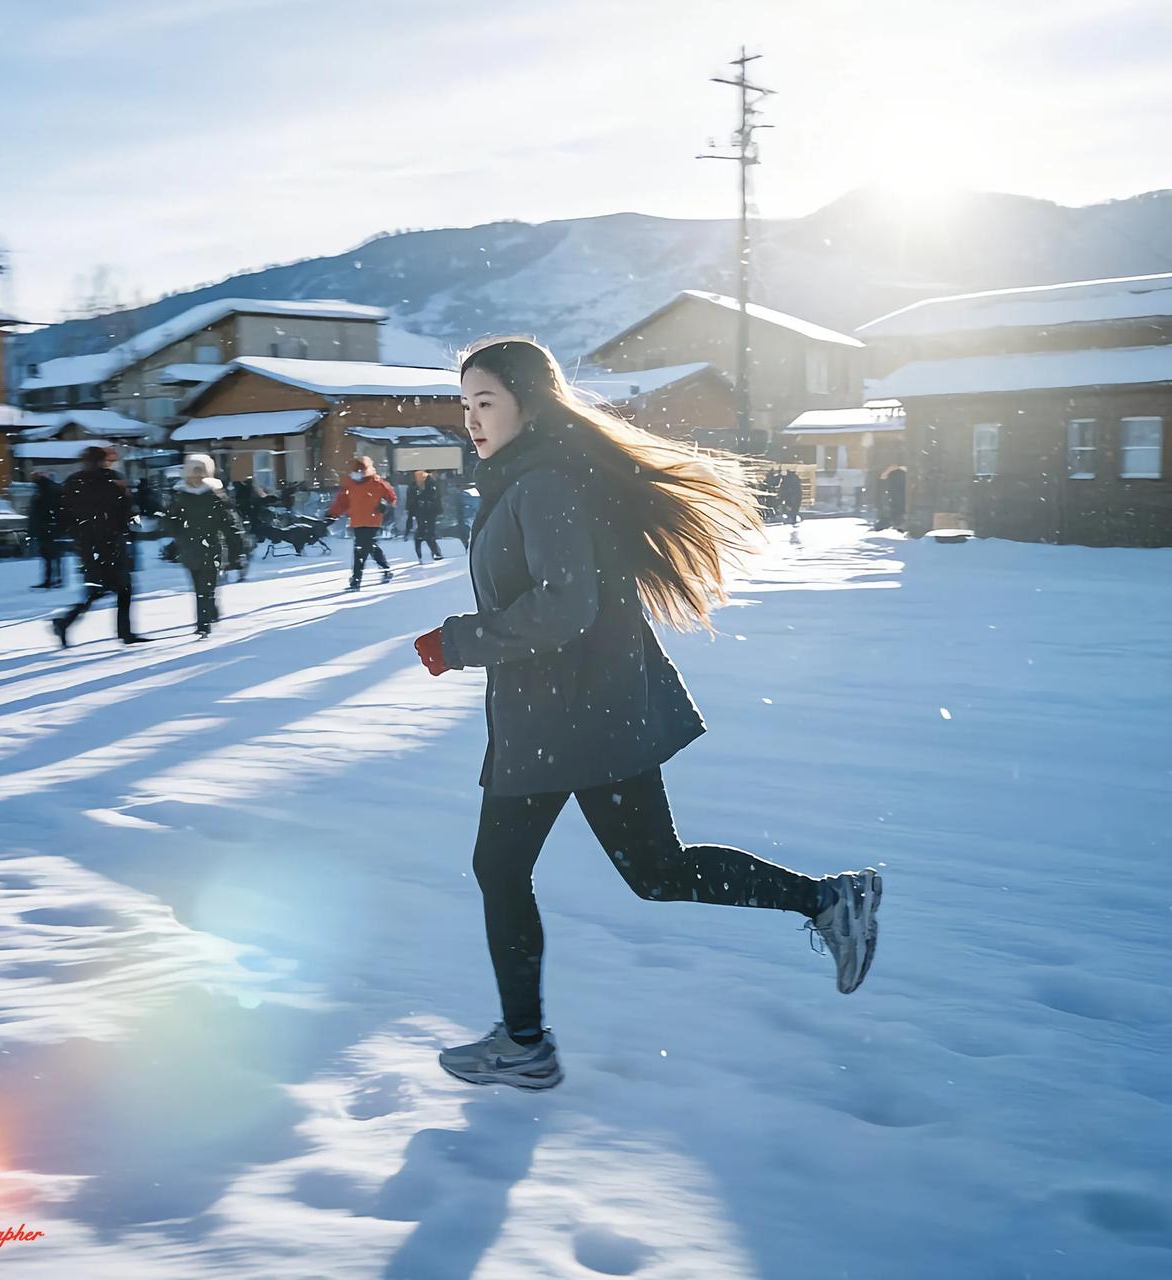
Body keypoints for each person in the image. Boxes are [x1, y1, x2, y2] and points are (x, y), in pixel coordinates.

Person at [412, 337, 884, 1092]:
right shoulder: (530, 479)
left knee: (501, 870)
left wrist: (461, 640)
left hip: (564, 719)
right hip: (587, 713)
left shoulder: (542, 484)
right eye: (465, 405)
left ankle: (525, 1043)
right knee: (656, 870)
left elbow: (565, 607)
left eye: (486, 402)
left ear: (528, 403)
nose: (471, 419)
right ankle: (829, 899)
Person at [52, 446, 150, 647]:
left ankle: (65, 622)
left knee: (97, 590)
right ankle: (124, 632)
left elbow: (63, 515)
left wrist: (77, 536)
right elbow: (127, 508)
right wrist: (129, 529)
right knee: (122, 589)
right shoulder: (113, 479)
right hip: (111, 541)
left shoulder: (74, 481)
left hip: (89, 545)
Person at [165, 453, 245, 638]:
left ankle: (204, 623)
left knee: (204, 586)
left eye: (198, 476)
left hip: (199, 548)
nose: (196, 480)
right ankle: (208, 613)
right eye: (194, 476)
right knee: (204, 586)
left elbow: (171, 523)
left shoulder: (185, 497)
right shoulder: (209, 496)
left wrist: (179, 535)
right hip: (203, 548)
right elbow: (230, 525)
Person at [325, 455, 397, 590]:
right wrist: (332, 514)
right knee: (369, 546)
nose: (356, 473)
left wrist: (384, 505)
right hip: (357, 520)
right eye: (354, 470)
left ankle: (356, 580)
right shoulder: (350, 483)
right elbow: (342, 502)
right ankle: (385, 569)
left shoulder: (377, 482)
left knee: (360, 549)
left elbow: (391, 497)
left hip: (372, 520)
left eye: (359, 470)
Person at [27, 472, 64, 589]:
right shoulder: (47, 489)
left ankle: (52, 580)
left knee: (49, 555)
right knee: (52, 555)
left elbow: (40, 511)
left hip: (47, 527)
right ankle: (55, 579)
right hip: (50, 527)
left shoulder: (45, 490)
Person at [406, 469, 444, 562]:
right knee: (422, 533)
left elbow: (436, 498)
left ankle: (435, 553)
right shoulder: (413, 485)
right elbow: (410, 500)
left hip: (430, 512)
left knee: (428, 533)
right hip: (419, 512)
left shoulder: (431, 483)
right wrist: (410, 513)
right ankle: (424, 554)